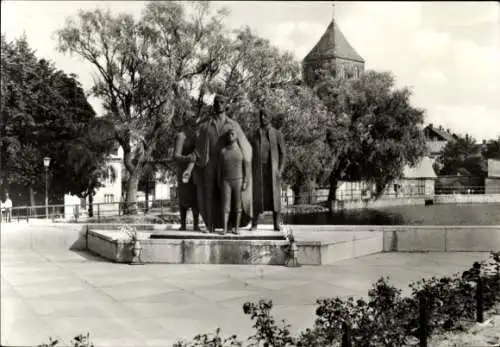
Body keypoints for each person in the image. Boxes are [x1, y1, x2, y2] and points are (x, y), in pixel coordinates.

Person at [194, 93, 253, 233]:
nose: (219, 104)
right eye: (216, 102)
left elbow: (246, 149)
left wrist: (246, 174)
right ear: (213, 105)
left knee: (230, 198)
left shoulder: (233, 125)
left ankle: (232, 225)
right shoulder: (206, 126)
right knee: (209, 196)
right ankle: (209, 225)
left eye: (221, 102)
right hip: (210, 165)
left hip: (228, 168)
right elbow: (197, 146)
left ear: (226, 105)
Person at [251, 109, 287, 231]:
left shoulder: (277, 134)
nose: (262, 117)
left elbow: (283, 154)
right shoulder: (254, 134)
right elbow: (250, 153)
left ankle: (276, 224)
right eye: (260, 115)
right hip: (258, 171)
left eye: (265, 115)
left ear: (270, 117)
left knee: (275, 198)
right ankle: (254, 223)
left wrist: (280, 171)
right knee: (256, 197)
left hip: (273, 171)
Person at [218, 128, 249, 234]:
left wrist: (245, 181)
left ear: (236, 136)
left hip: (238, 181)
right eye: (228, 134)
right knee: (225, 206)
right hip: (226, 181)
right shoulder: (223, 151)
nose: (230, 136)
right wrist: (219, 181)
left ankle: (236, 228)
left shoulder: (241, 151)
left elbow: (247, 167)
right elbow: (219, 169)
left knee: (238, 206)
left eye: (232, 134)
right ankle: (225, 228)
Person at [173, 125, 201, 231]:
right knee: (183, 197)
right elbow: (176, 156)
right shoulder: (181, 136)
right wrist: (187, 158)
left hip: (194, 170)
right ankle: (183, 225)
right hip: (183, 170)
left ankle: (196, 224)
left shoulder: (196, 136)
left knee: (195, 198)